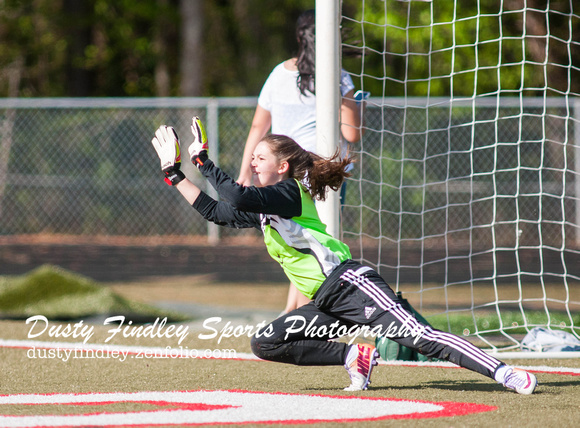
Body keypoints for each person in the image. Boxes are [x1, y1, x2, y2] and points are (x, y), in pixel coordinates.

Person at [151, 117, 538, 395]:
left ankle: (504, 373)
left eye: (260, 158)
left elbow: (232, 195)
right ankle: (356, 355)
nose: (252, 162)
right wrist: (174, 173)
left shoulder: (288, 193)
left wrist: (202, 161)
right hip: (327, 302)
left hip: (351, 285)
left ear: (282, 167)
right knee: (266, 342)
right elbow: (216, 211)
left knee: (420, 337)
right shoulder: (265, 207)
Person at [236, 9, 364, 314]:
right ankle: (300, 315)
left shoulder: (278, 75)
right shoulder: (338, 77)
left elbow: (258, 127)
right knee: (314, 245)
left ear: (298, 37)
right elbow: (352, 133)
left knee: (297, 243)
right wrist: (358, 102)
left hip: (280, 173)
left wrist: (245, 172)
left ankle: (291, 313)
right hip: (318, 174)